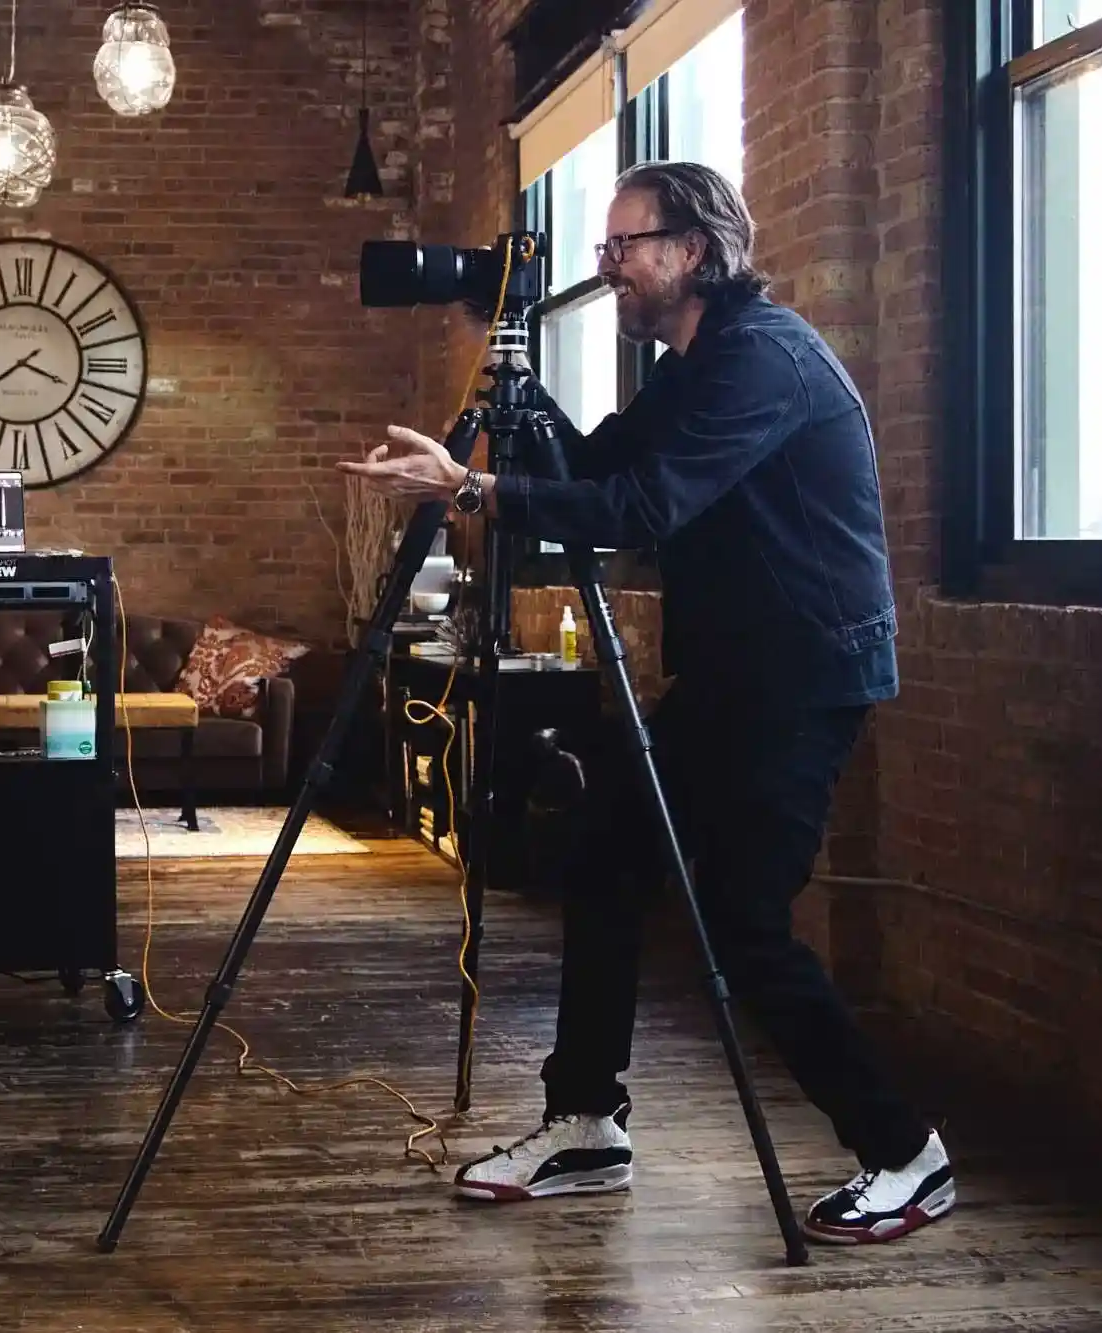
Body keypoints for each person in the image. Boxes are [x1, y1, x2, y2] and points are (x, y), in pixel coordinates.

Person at [338, 160, 954, 1246]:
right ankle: (584, 1122)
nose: (608, 266)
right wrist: (516, 404)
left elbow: (637, 509)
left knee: (742, 923)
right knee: (605, 860)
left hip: (800, 678)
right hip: (726, 675)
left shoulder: (759, 362)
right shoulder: (688, 367)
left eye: (625, 246)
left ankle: (904, 1151)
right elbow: (591, 468)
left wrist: (470, 487)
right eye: (603, 249)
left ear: (696, 251)